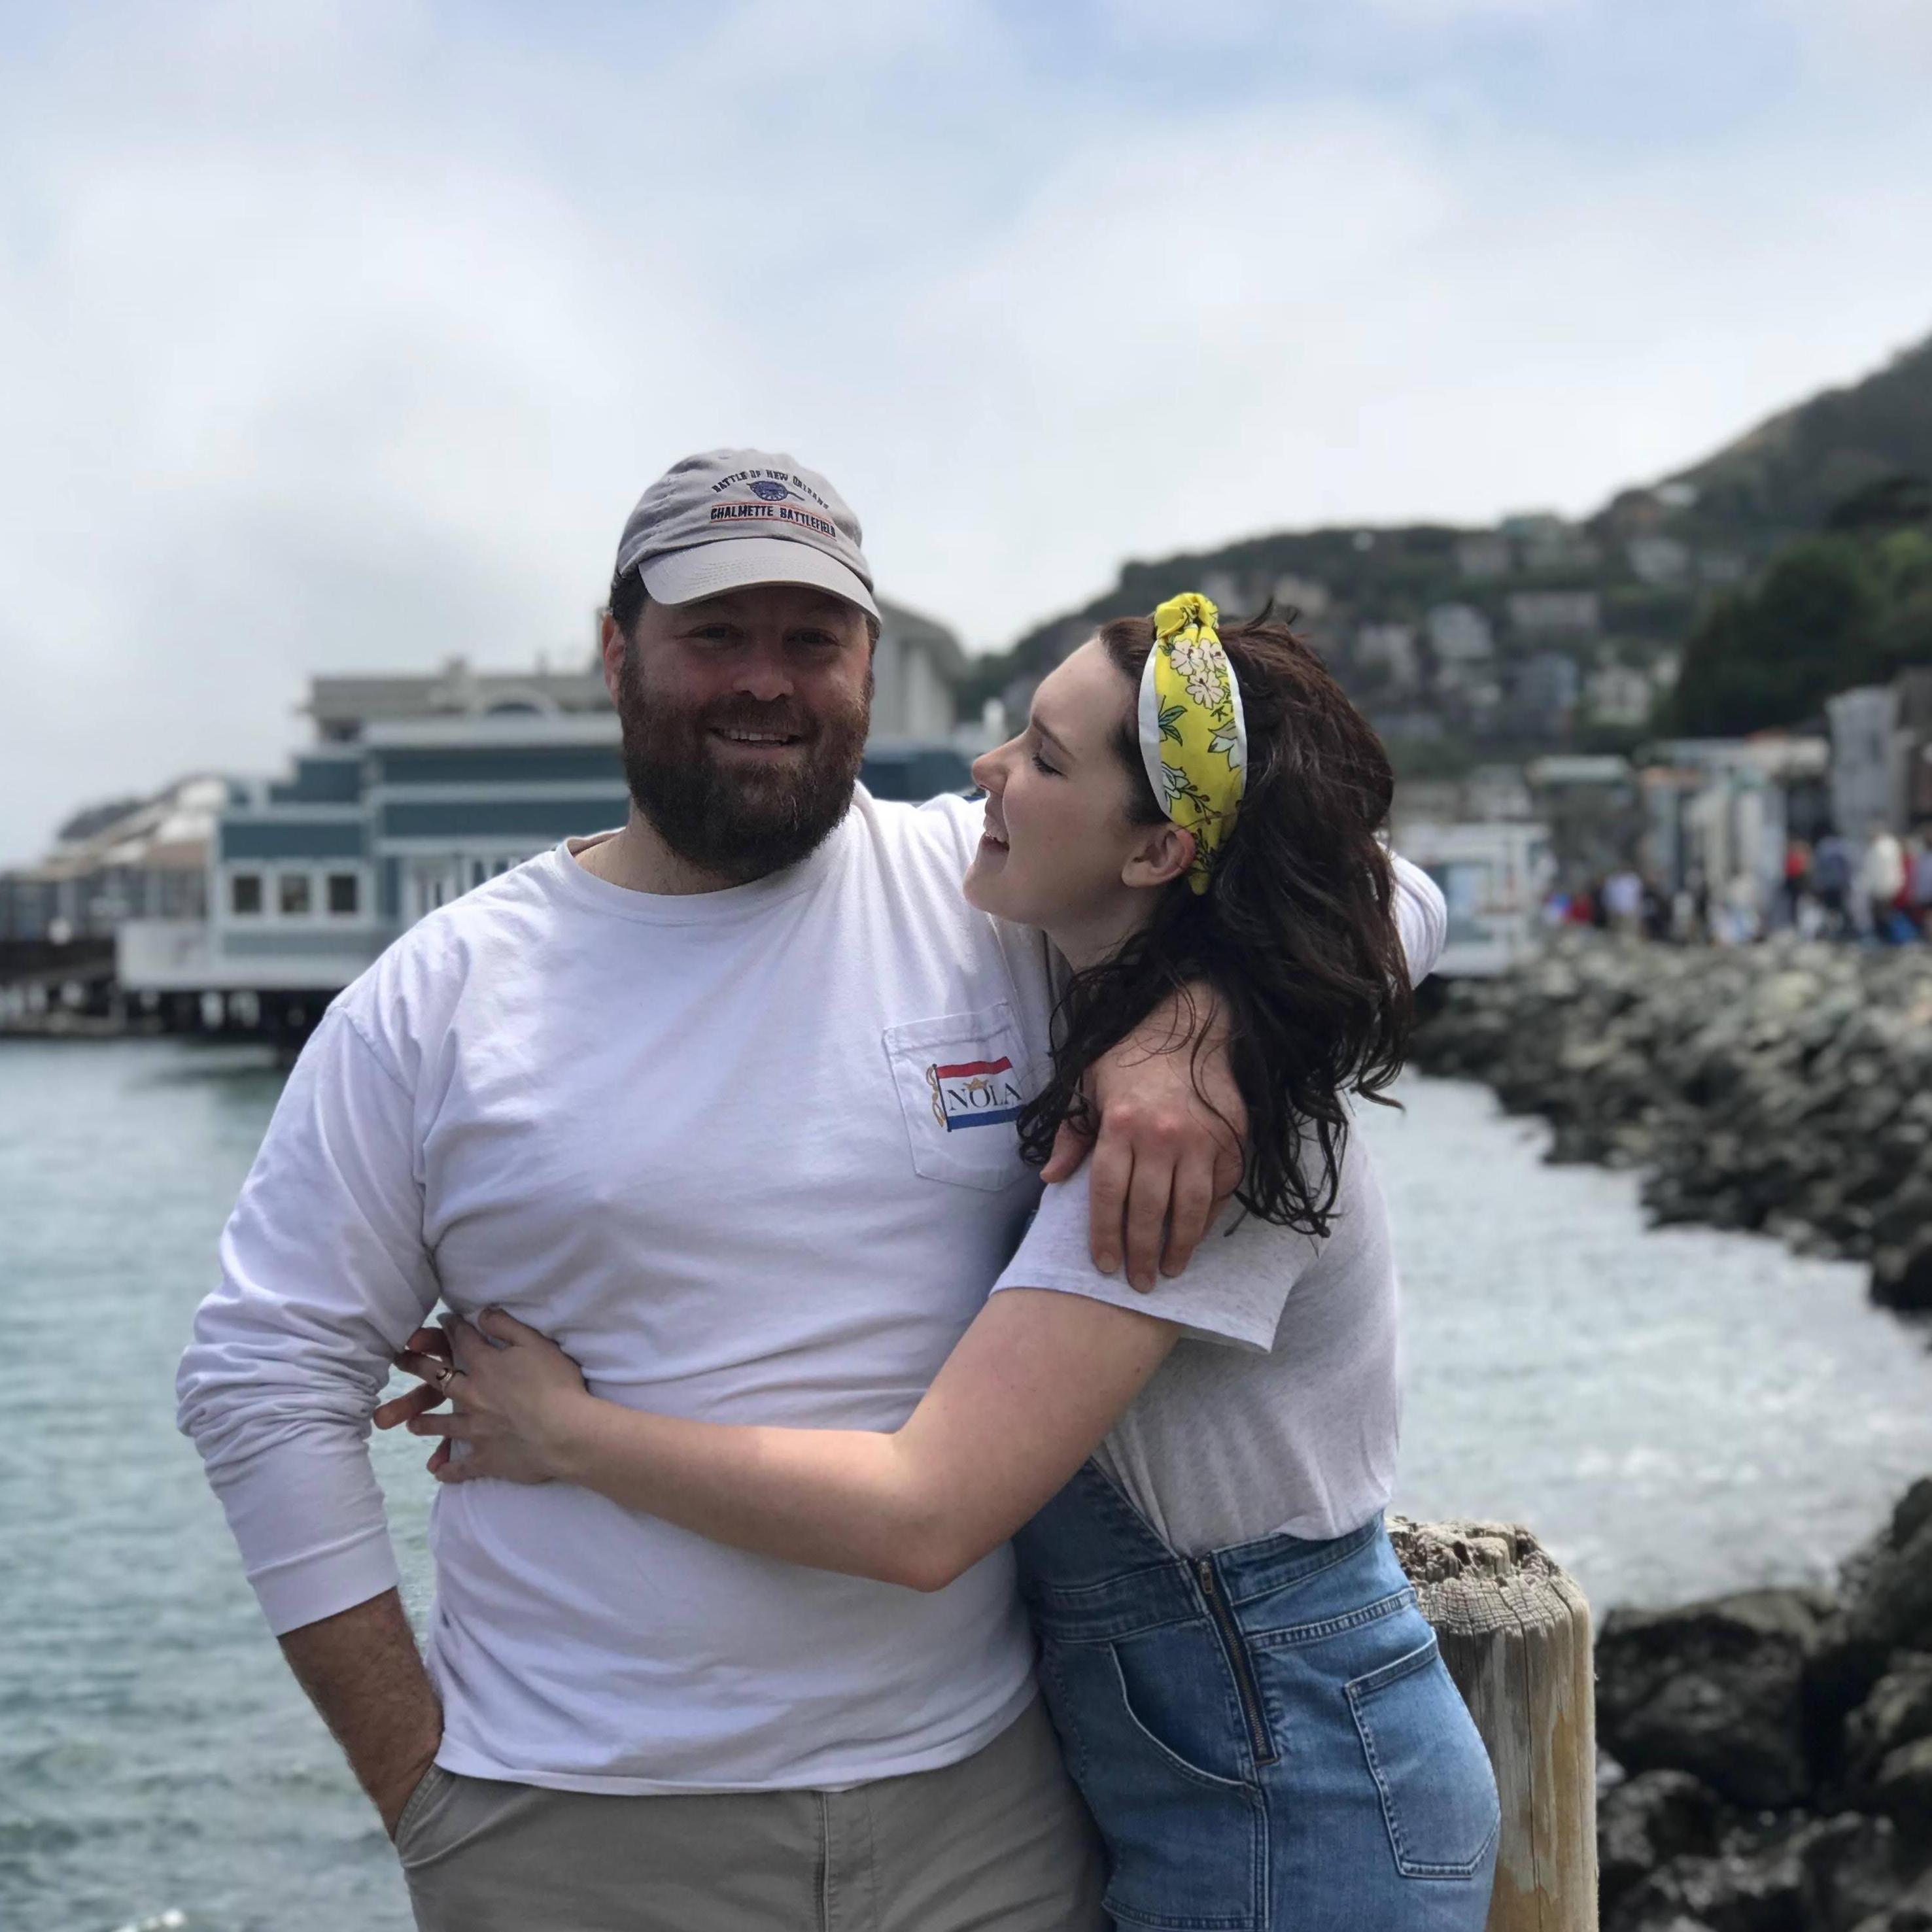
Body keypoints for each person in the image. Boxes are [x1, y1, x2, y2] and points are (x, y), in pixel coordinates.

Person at [177, 451, 1262, 1932]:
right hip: (578, 1827)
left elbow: (1377, 890)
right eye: (713, 635)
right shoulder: (444, 993)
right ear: (615, 651)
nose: (766, 681)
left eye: (810, 640)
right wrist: (421, 1787)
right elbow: (262, 1373)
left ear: (869, 663)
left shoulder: (986, 888)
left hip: (985, 1810)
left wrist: (1193, 1028)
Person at [386, 596, 1495, 1931]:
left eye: (1041, 754)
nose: (987, 771)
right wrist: (1202, 1019)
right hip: (1222, 1757)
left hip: (1290, 1783)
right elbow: (1382, 885)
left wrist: (570, 1432)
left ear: (1155, 847)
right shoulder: (1130, 1009)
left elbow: (924, 1513)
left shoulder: (1186, 1155)